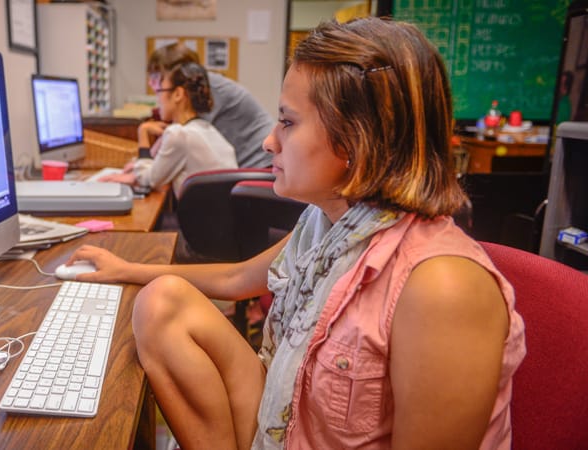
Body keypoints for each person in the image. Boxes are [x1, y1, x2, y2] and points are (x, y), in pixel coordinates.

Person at [66, 17, 526, 450]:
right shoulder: (328, 221)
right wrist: (126, 270)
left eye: (288, 122)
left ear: (357, 139)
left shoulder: (443, 289)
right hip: (291, 424)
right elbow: (237, 279)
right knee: (161, 302)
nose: (269, 141)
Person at [100, 61, 237, 197]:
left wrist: (143, 132)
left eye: (160, 91)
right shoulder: (208, 130)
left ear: (178, 94)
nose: (157, 99)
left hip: (201, 218)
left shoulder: (179, 134)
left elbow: (149, 180)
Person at [142, 42, 274, 169]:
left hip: (260, 160)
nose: (151, 83)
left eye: (157, 76)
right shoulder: (201, 85)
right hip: (251, 159)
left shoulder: (207, 88)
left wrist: (149, 163)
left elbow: (180, 135)